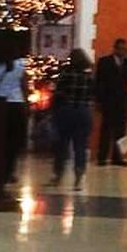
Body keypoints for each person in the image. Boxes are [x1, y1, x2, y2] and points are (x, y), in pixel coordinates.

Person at [0, 32, 29, 184]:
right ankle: (10, 171)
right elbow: (24, 86)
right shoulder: (20, 65)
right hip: (16, 103)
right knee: (13, 142)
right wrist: (27, 104)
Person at [50, 49, 95, 190]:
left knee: (62, 144)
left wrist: (54, 111)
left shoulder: (65, 75)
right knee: (80, 145)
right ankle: (78, 178)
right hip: (84, 112)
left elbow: (58, 94)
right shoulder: (89, 77)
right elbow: (93, 95)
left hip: (67, 111)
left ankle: (58, 175)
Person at [95, 38, 127, 165]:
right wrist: (99, 101)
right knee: (106, 129)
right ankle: (102, 157)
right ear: (115, 49)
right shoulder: (104, 62)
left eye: (126, 49)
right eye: (121, 49)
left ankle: (117, 157)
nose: (123, 52)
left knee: (120, 130)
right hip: (108, 100)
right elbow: (98, 82)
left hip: (122, 100)